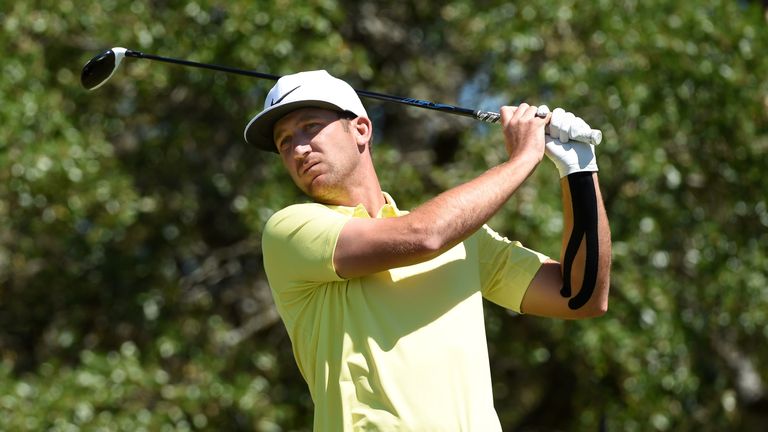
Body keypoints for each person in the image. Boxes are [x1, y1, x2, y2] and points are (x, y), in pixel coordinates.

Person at [244, 70, 611, 431]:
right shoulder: (289, 230)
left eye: (310, 126)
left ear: (360, 129)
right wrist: (522, 159)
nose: (299, 149)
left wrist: (579, 170)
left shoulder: (466, 239)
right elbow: (424, 236)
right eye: (284, 142)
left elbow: (580, 296)